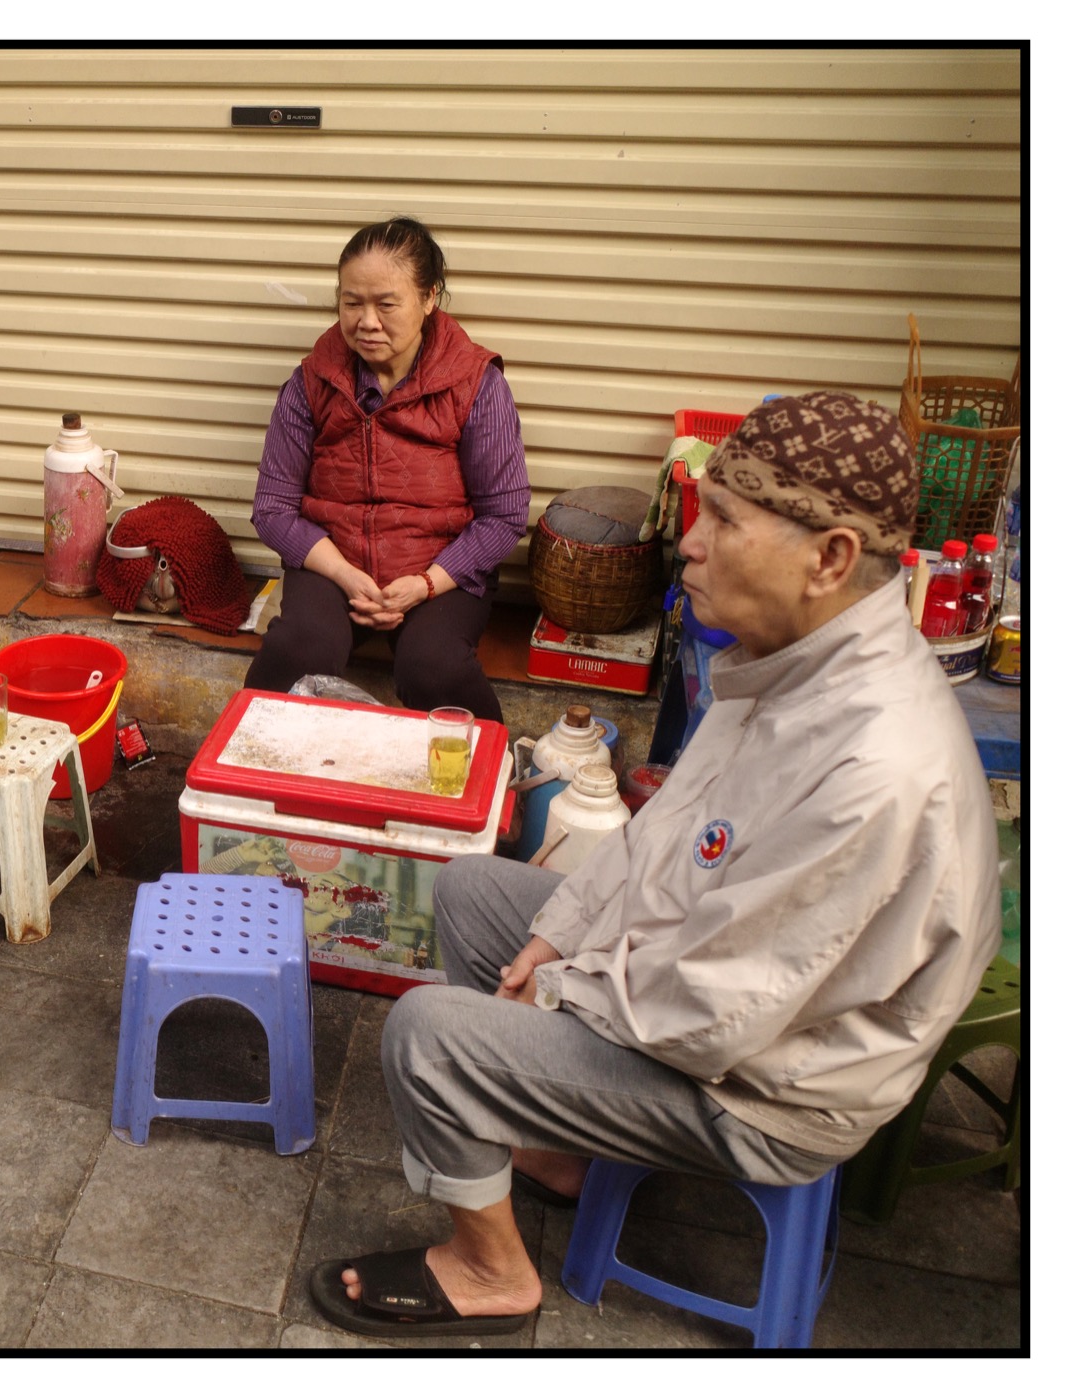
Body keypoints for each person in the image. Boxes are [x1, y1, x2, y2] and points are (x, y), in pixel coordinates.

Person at [308, 391, 1000, 1338]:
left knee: (429, 1034)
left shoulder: (874, 769)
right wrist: (560, 935)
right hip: (717, 987)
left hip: (770, 1088)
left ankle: (491, 1270)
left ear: (831, 559)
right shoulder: (794, 660)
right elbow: (663, 831)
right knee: (471, 891)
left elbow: (721, 1014)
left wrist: (562, 990)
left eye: (726, 522)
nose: (691, 546)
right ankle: (559, 1152)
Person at [244, 217, 529, 722]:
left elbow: (503, 515)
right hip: (335, 565)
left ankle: (491, 766)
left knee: (434, 666)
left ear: (429, 297)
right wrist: (345, 574)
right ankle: (251, 765)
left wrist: (424, 584)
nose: (367, 322)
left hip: (440, 569)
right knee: (298, 649)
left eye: (386, 304)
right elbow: (273, 509)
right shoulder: (311, 382)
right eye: (352, 303)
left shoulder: (476, 384)